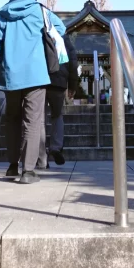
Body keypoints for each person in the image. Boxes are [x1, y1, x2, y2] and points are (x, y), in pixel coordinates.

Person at [0, 0, 67, 184]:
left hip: (10, 76)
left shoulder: (2, 13)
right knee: (32, 121)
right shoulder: (40, 11)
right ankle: (28, 171)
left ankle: (12, 165)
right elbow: (61, 29)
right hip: (36, 74)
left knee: (12, 118)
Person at [38, 32, 79, 168]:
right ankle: (56, 146)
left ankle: (41, 156)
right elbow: (73, 62)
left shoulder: (39, 32)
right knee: (57, 115)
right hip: (59, 82)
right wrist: (72, 85)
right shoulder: (64, 37)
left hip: (40, 80)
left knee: (39, 118)